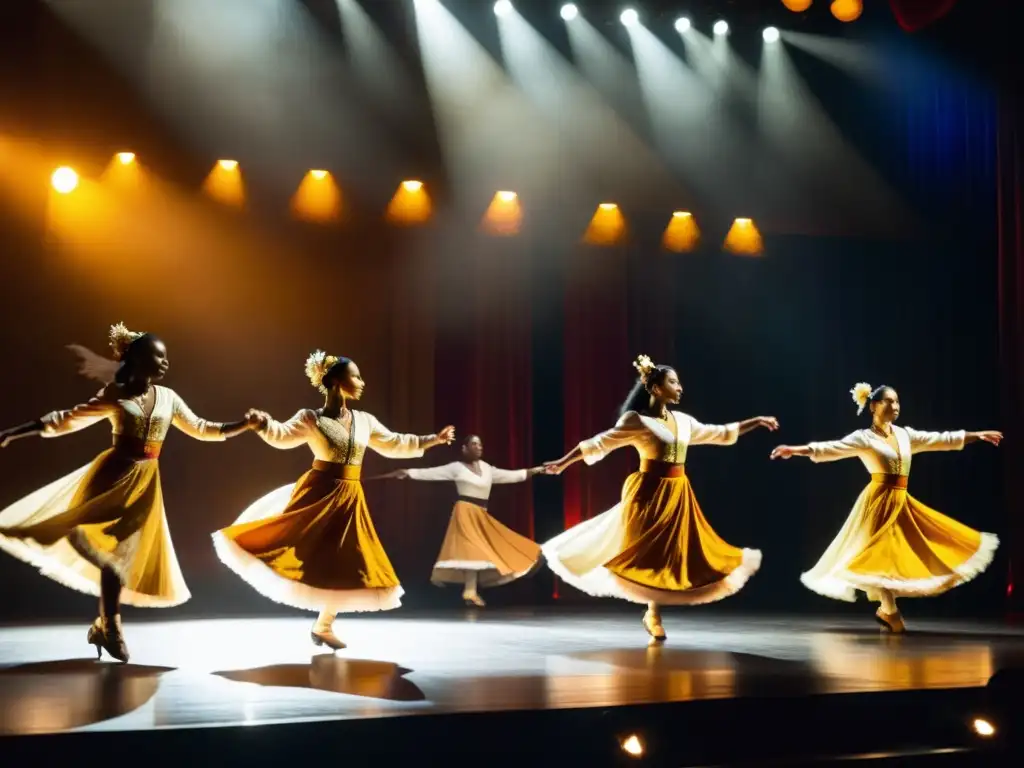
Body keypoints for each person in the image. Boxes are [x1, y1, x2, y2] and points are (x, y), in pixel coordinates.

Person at [0, 323, 260, 662]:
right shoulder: (115, 394)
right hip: (111, 479)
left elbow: (201, 428)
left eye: (166, 357)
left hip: (143, 488)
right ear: (137, 358)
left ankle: (103, 625)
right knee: (112, 563)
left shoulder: (168, 398)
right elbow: (67, 419)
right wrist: (13, 432)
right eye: (158, 356)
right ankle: (111, 627)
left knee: (119, 562)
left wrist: (244, 425)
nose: (165, 362)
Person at [212, 350, 455, 651]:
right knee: (306, 551)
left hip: (350, 497)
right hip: (319, 493)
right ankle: (319, 622)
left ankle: (323, 625)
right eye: (355, 376)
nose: (362, 382)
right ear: (336, 381)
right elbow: (283, 435)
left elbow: (394, 442)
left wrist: (432, 439)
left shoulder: (364, 420)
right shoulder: (312, 418)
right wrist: (263, 425)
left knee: (348, 560)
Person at [542, 355, 777, 641]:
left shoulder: (684, 421)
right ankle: (653, 613)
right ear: (655, 388)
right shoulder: (637, 421)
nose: (680, 388)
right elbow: (600, 442)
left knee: (672, 555)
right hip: (648, 493)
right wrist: (563, 463)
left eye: (679, 383)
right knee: (650, 553)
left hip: (678, 493)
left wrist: (756, 421)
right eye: (673, 382)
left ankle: (652, 612)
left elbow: (720, 433)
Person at [770, 382, 1001, 633]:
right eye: (889, 401)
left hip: (901, 500)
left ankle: (887, 609)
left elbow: (940, 439)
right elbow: (832, 448)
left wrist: (976, 436)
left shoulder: (905, 435)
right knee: (880, 555)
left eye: (897, 401)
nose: (895, 406)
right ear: (873, 406)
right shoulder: (864, 438)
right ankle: (889, 610)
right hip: (878, 501)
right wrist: (796, 450)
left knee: (910, 549)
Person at [374, 434, 549, 607]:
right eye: (474, 444)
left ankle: (470, 591)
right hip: (465, 511)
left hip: (481, 514)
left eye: (480, 444)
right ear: (464, 449)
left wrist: (538, 469)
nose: (478, 447)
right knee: (470, 550)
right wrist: (408, 473)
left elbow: (512, 476)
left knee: (487, 548)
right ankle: (470, 591)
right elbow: (432, 473)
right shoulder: (456, 468)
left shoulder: (487, 469)